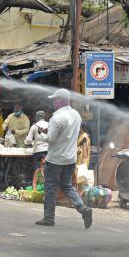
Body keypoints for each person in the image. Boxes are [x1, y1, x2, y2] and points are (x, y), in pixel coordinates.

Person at [35, 88, 92, 229]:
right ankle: (82, 208)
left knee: (50, 188)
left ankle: (49, 218)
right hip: (70, 159)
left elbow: (52, 139)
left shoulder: (56, 117)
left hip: (55, 159)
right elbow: (67, 135)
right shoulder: (76, 115)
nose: (54, 102)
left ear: (61, 100)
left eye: (55, 99)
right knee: (67, 186)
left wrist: (42, 135)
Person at [25, 110, 48, 189]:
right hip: (48, 151)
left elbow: (28, 140)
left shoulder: (34, 126)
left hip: (38, 151)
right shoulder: (49, 125)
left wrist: (30, 142)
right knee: (47, 171)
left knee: (37, 171)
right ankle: (46, 188)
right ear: (44, 117)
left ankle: (37, 188)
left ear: (36, 117)